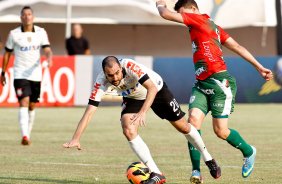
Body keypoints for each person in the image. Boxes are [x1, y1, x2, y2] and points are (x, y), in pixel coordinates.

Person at [156, 0, 274, 183]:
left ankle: (249, 151)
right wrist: (259, 67)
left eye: (183, 13)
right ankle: (196, 171)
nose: (183, 18)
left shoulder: (199, 20)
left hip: (220, 84)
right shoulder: (211, 27)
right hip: (201, 85)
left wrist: (160, 4)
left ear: (193, 9)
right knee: (192, 123)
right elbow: (238, 47)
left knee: (221, 131)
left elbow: (165, 14)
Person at [63, 56, 221, 184]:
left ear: (120, 67)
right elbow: (90, 111)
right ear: (105, 73)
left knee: (184, 127)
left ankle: (208, 158)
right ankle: (156, 173)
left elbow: (151, 88)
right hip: (133, 97)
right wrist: (76, 138)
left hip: (156, 90)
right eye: (110, 75)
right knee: (127, 128)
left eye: (117, 72)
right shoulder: (101, 82)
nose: (115, 78)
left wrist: (144, 112)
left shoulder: (131, 67)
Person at [0, 6, 53, 145]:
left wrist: (49, 58)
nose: (27, 17)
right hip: (20, 74)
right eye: (24, 14)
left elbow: (47, 49)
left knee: (32, 105)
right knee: (23, 101)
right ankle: (25, 136)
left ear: (33, 17)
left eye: (29, 14)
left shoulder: (41, 32)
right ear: (21, 17)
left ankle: (28, 133)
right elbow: (7, 53)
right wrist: (3, 72)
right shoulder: (14, 34)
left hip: (35, 74)